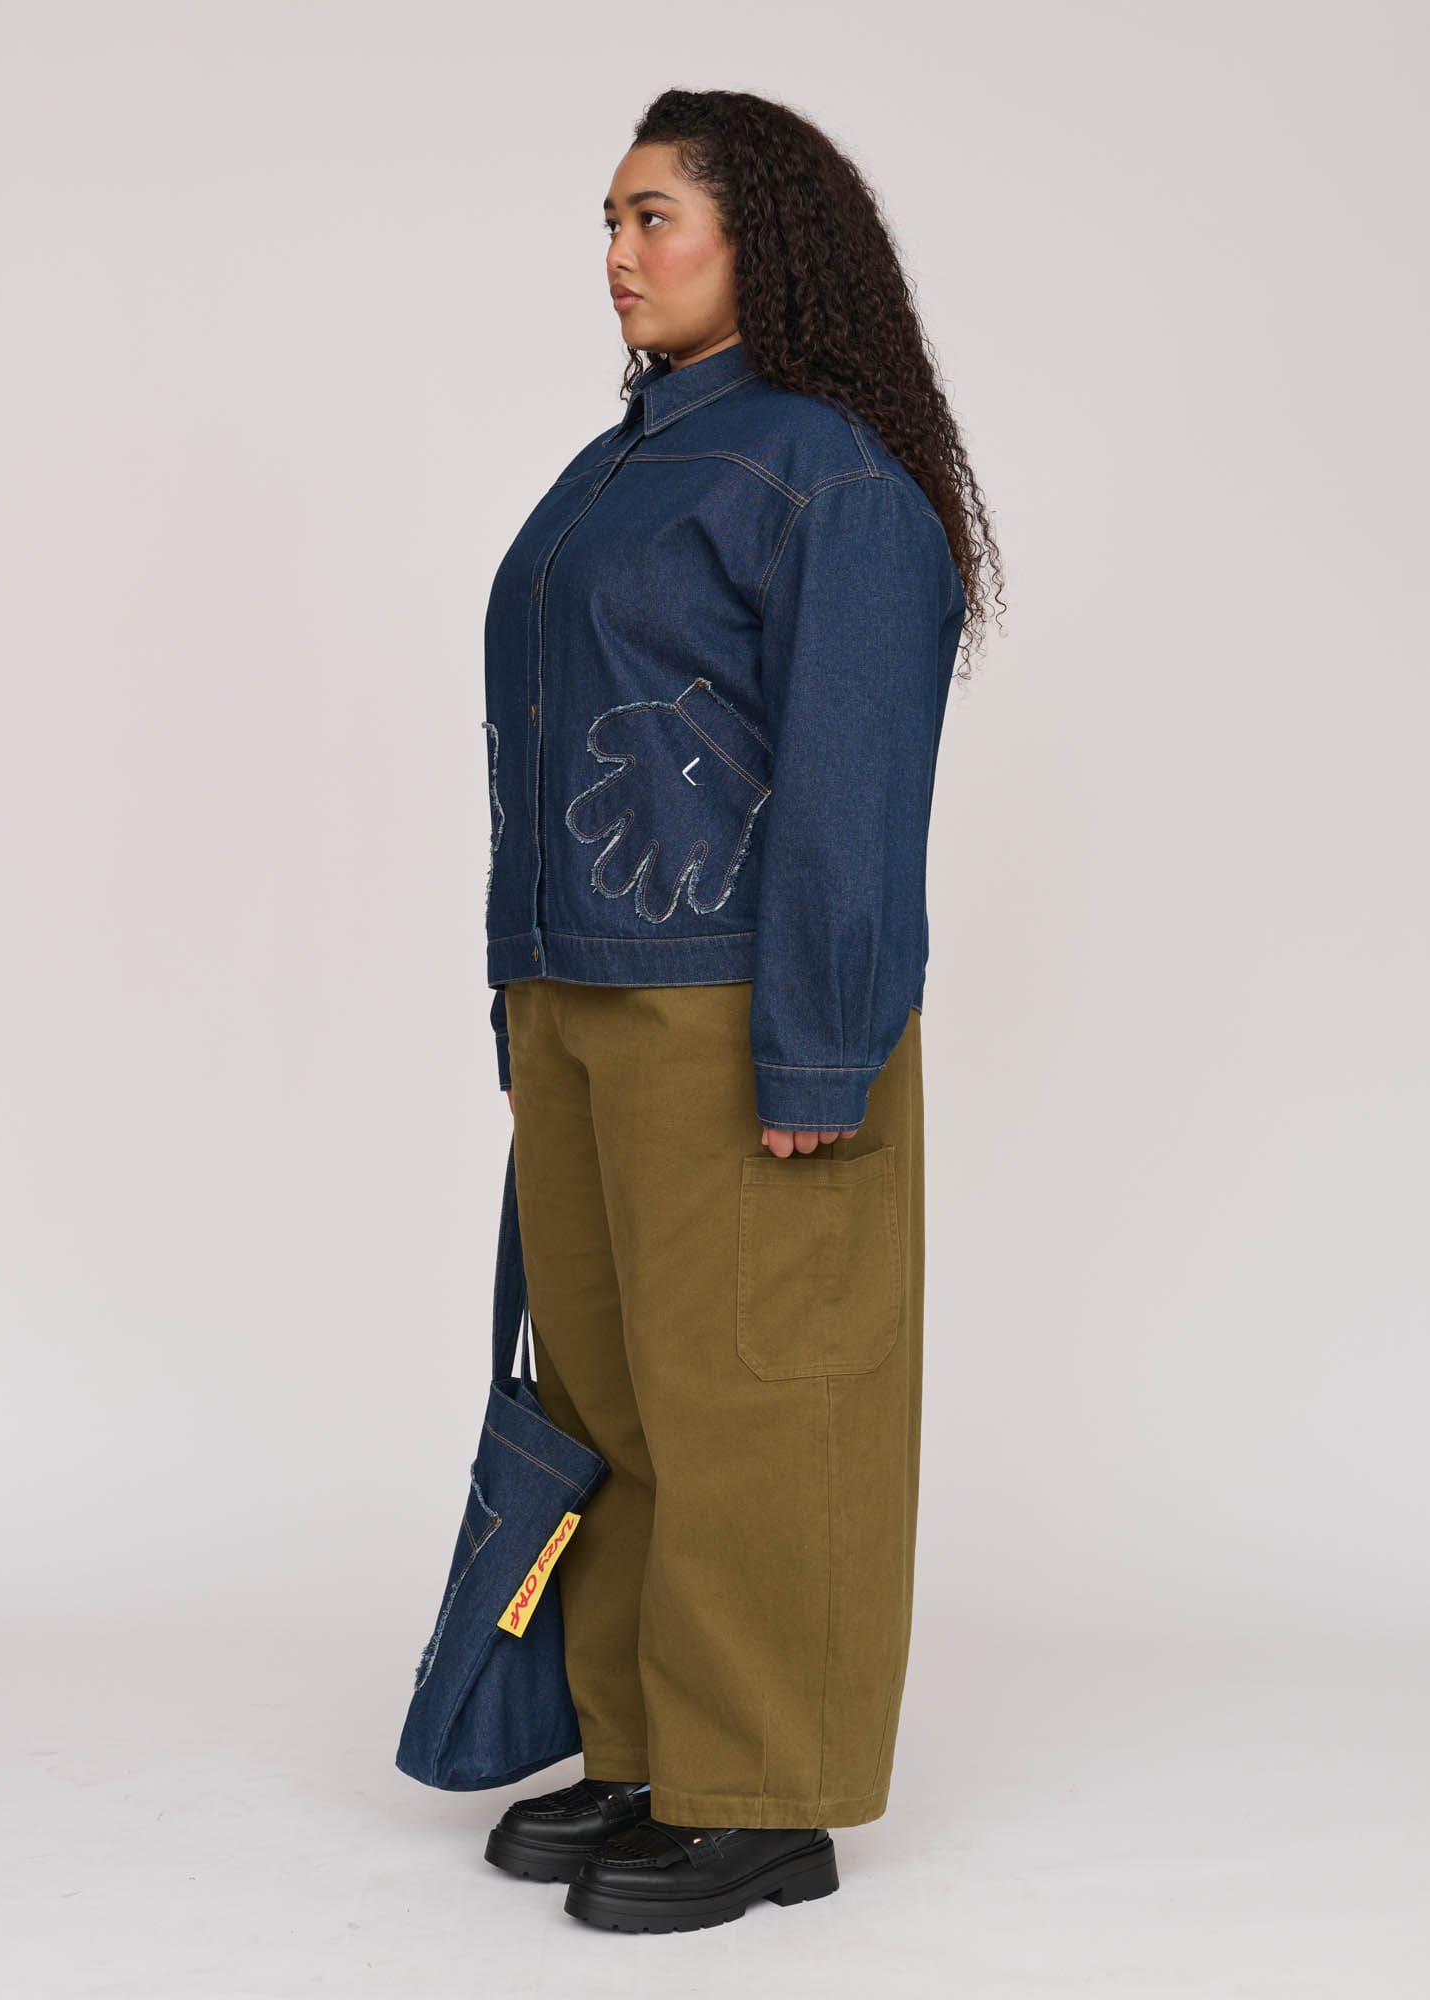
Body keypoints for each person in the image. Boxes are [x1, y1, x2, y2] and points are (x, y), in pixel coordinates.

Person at [475, 87, 1001, 1934]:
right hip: (586, 997)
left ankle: (764, 1794)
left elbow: (854, 786)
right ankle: (644, 1748)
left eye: (656, 218)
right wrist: (520, 995)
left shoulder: (825, 474)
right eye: (609, 223)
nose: (620, 256)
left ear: (759, 236)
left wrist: (821, 1043)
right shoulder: (623, 462)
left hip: (735, 1011)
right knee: (613, 1394)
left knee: (765, 1397)